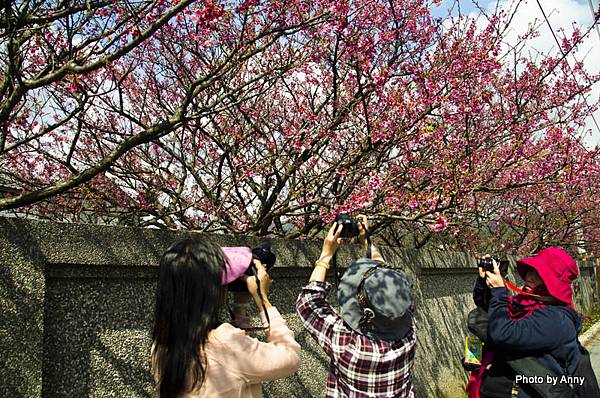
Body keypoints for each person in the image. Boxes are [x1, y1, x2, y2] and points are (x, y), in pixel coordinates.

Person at [151, 238, 301, 398]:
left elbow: (237, 365)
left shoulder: (162, 344)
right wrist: (263, 299)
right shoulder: (224, 341)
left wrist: (240, 306)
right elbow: (290, 356)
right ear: (210, 290)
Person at [296, 215, 417, 397]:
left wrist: (326, 255)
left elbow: (308, 302)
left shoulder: (347, 343)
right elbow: (390, 286)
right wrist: (367, 242)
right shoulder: (409, 331)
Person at [467, 247, 589, 398]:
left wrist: (499, 290)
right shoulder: (525, 304)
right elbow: (490, 310)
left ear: (553, 283)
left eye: (539, 274)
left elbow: (503, 333)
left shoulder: (556, 320)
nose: (529, 277)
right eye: (530, 270)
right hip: (496, 389)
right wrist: (485, 281)